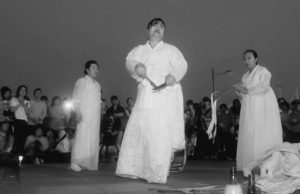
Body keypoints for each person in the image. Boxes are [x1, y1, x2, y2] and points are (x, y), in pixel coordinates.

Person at [116, 18, 188, 183]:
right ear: (148, 30)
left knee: (160, 133)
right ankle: (135, 169)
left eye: (162, 26)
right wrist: (137, 66)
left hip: (165, 95)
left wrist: (173, 76)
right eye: (155, 25)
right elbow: (129, 61)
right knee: (143, 131)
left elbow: (182, 65)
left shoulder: (171, 49)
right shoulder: (139, 50)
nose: (159, 28)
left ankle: (157, 172)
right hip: (147, 94)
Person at [234, 49, 282, 171]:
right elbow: (243, 94)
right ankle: (251, 164)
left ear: (256, 59)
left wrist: (245, 90)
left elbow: (263, 87)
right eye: (244, 59)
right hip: (250, 109)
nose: (246, 61)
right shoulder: (245, 76)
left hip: (262, 107)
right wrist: (238, 91)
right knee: (250, 133)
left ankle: (265, 164)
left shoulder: (263, 71)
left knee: (261, 132)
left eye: (249, 58)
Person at [69, 60, 101, 171]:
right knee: (81, 136)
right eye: (92, 68)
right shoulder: (81, 81)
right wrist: (77, 112)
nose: (95, 70)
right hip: (83, 114)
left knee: (92, 138)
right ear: (87, 69)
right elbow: (76, 98)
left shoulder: (97, 85)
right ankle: (75, 162)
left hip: (94, 117)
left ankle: (87, 162)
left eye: (97, 68)